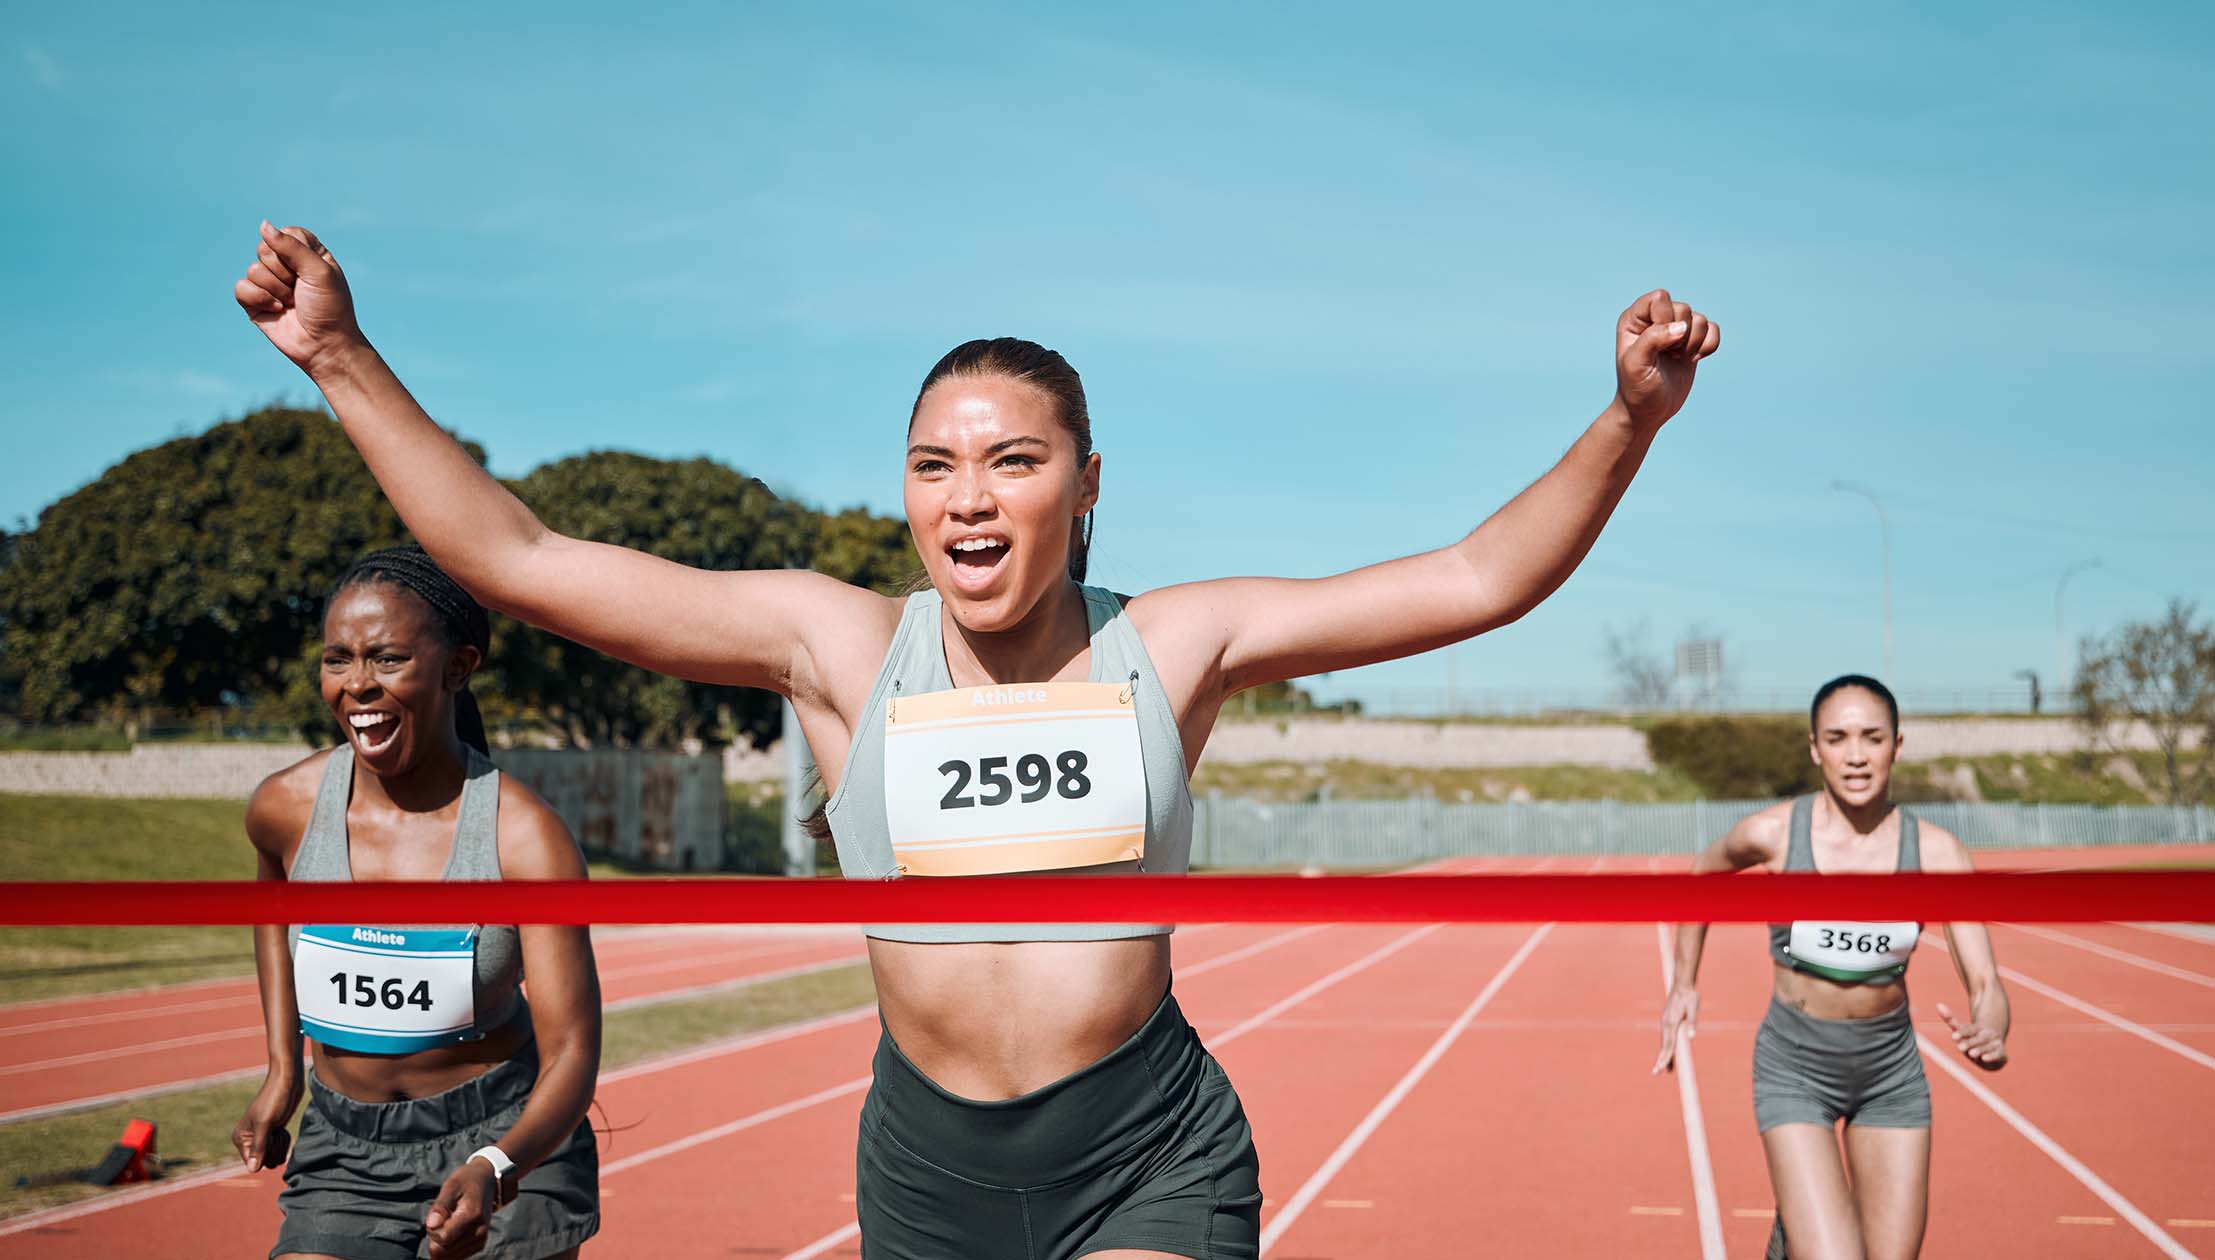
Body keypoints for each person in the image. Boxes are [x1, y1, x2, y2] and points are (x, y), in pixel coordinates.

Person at [237, 219, 1719, 1260]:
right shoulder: (837, 649)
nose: (967, 496)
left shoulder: (1177, 643)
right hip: (927, 1171)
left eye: (1012, 460)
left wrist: (1623, 422)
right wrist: (338, 355)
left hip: (1144, 1149)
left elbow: (1471, 580)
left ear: (1083, 484)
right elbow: (520, 560)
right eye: (933, 463)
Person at [233, 546, 602, 1260]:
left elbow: (571, 1053)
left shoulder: (526, 839)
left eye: (387, 659)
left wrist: (497, 1167)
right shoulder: (283, 808)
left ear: (456, 669)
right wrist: (282, 1070)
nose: (357, 685)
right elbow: (273, 915)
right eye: (337, 659)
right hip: (345, 1146)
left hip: (507, 1138)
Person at [1654, 674, 2011, 1260]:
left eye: (1871, 738)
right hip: (1795, 1068)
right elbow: (1702, 878)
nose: (1855, 755)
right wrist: (1682, 984)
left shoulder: (1937, 855)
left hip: (1889, 1075)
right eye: (1838, 738)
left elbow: (1987, 983)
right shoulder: (1773, 835)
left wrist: (1992, 1027)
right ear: (1815, 748)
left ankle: (1794, 1230)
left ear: (1897, 745)